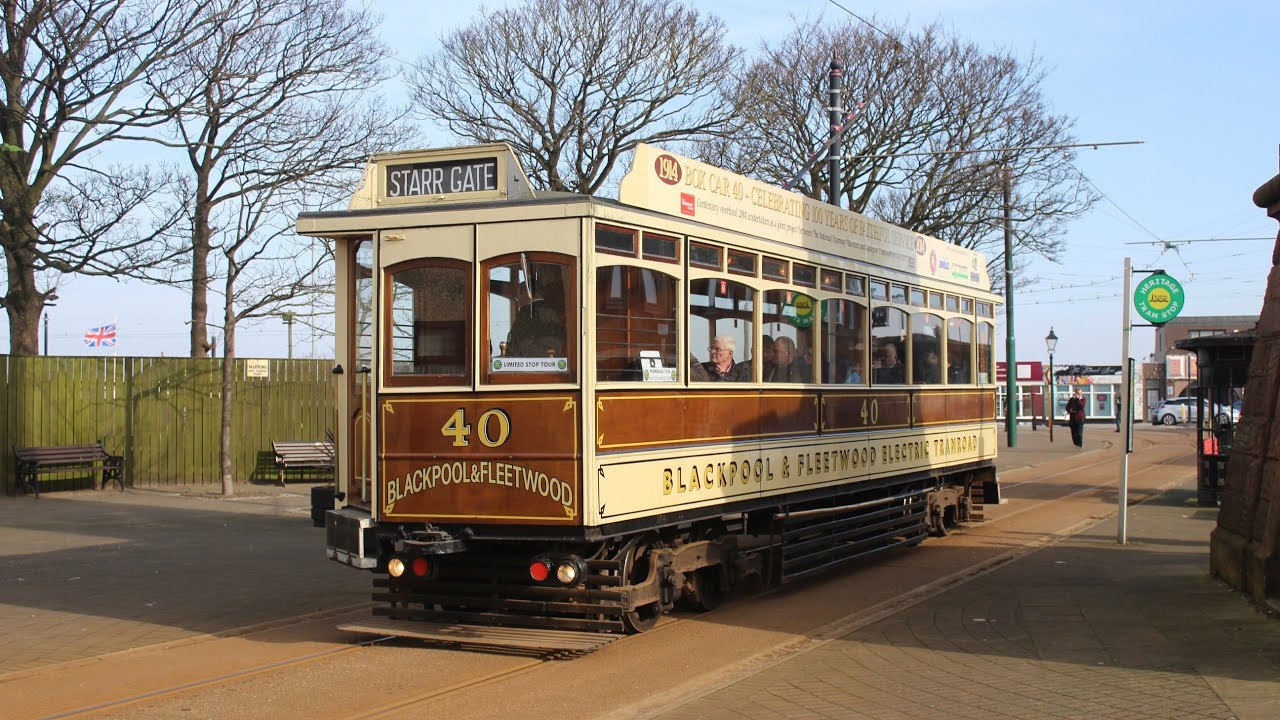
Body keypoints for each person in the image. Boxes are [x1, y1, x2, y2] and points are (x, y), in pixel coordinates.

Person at [506, 292, 564, 357]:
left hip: (529, 362)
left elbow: (513, 345)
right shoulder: (555, 312)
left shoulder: (525, 313)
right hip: (554, 362)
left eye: (518, 296)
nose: (518, 300)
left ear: (527, 293)